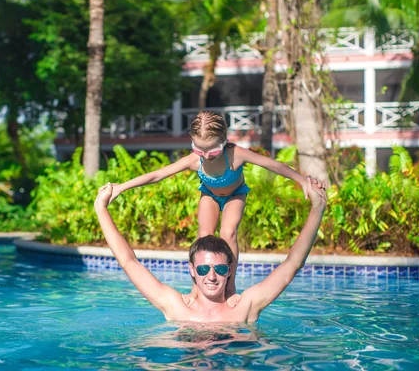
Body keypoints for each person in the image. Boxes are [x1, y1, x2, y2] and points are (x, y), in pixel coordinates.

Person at [107, 111, 313, 300]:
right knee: (203, 237)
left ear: (224, 140)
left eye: (212, 152)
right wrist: (121, 187)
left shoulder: (236, 154)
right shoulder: (195, 160)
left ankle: (230, 289)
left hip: (235, 194)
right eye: (198, 149)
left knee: (228, 232)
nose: (205, 155)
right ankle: (197, 289)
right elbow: (157, 175)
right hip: (210, 195)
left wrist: (302, 180)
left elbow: (274, 165)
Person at [94, 177, 327, 323]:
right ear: (192, 270)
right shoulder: (175, 306)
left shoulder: (245, 307)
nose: (212, 276)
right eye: (204, 268)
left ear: (230, 270)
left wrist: (318, 208)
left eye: (220, 268)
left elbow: (293, 264)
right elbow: (128, 261)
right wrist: (101, 208)